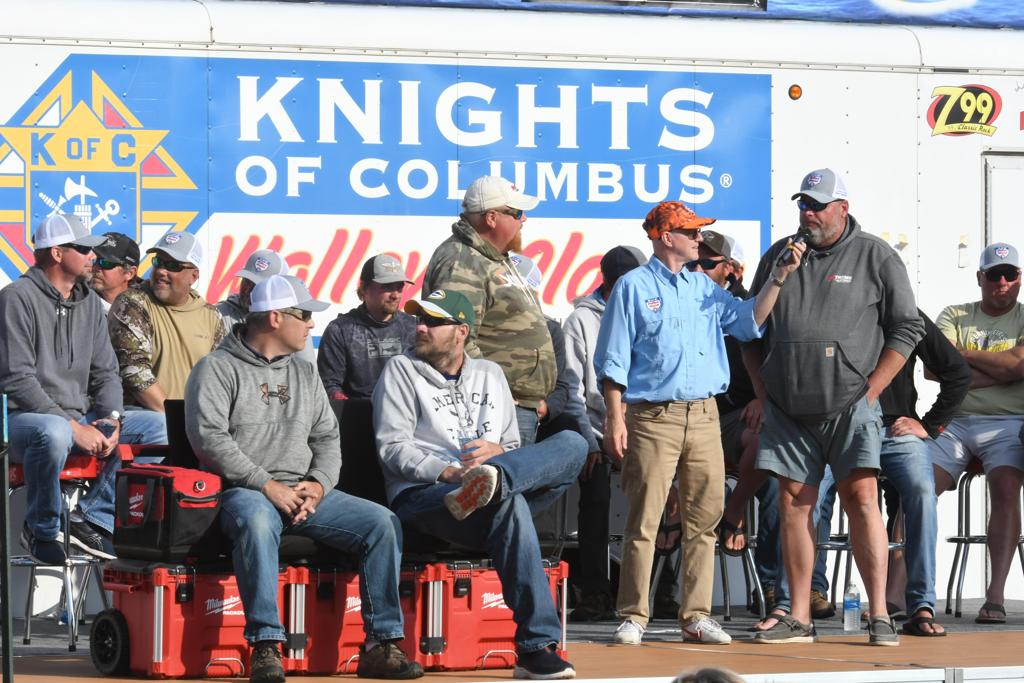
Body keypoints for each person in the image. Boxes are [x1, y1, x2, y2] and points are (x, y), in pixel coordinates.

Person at [185, 274, 423, 683]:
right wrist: (267, 485)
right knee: (258, 521)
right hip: (244, 492)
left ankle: (381, 645)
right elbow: (210, 442)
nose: (312, 324)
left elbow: (327, 437)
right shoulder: (216, 368)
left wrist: (319, 484)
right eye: (305, 315)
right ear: (275, 317)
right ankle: (265, 645)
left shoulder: (304, 370)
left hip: (303, 491)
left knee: (382, 523)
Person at [596, 200, 804, 646]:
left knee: (704, 519)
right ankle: (633, 615)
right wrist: (615, 418)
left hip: (705, 413)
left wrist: (778, 278)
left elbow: (748, 322)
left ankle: (696, 616)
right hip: (652, 415)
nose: (699, 239)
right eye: (690, 232)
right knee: (645, 519)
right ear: (665, 236)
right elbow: (612, 360)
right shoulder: (633, 286)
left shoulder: (703, 288)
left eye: (699, 231)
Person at [745, 169, 924, 646]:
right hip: (788, 407)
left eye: (818, 205)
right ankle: (799, 616)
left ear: (843, 208)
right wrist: (763, 392)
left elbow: (908, 328)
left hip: (850, 405)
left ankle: (879, 613)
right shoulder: (779, 255)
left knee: (862, 500)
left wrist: (873, 390)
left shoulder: (875, 255)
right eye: (803, 204)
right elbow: (749, 330)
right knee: (792, 505)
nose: (808, 213)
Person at [372, 289, 585, 680]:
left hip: (490, 491)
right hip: (427, 496)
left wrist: (498, 453)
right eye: (420, 319)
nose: (420, 328)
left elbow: (515, 447)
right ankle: (535, 648)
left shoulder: (490, 373)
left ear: (461, 332)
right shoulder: (400, 370)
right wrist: (452, 474)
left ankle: (496, 482)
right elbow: (393, 450)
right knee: (510, 506)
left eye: (433, 322)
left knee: (574, 443)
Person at [1, 214, 166, 563]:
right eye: (84, 248)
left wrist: (112, 418)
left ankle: (91, 519)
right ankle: (42, 530)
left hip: (77, 418)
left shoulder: (89, 301)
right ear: (57, 253)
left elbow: (106, 372)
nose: (92, 256)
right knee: (54, 432)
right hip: (21, 421)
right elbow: (17, 379)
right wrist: (75, 427)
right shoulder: (16, 298)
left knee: (157, 427)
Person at [930, 242, 1024, 625]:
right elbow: (934, 368)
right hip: (954, 422)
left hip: (1009, 422)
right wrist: (1003, 371)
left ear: (1020, 278)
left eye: (1010, 275)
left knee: (1006, 488)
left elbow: (1018, 366)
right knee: (916, 486)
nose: (1002, 282)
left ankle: (995, 596)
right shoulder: (955, 313)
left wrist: (961, 358)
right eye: (994, 275)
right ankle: (904, 594)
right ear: (979, 278)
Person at [421, 176, 554, 445]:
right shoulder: (462, 260)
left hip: (518, 406)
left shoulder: (495, 257)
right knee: (499, 473)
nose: (524, 219)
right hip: (491, 409)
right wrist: (497, 392)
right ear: (492, 218)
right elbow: (455, 339)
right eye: (517, 213)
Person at [688, 230, 780, 613]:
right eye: (693, 261)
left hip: (735, 417)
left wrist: (762, 398)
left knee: (773, 469)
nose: (697, 268)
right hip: (691, 416)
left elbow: (775, 361)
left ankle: (772, 585)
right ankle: (661, 593)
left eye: (707, 263)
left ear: (733, 270)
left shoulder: (748, 307)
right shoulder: (682, 298)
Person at [562, 245, 648, 622]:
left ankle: (658, 588)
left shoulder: (650, 312)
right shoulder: (580, 321)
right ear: (611, 286)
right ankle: (595, 592)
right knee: (595, 491)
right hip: (596, 427)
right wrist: (588, 440)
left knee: (664, 492)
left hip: (643, 425)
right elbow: (572, 392)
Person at [109, 230, 226, 414]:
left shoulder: (211, 316)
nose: (161, 271)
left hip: (194, 419)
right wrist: (177, 419)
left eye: (172, 265)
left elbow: (219, 378)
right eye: (158, 262)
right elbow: (134, 372)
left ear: (193, 276)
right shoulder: (132, 302)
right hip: (144, 416)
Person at [318, 254, 417, 400]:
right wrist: (342, 401)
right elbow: (329, 384)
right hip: (359, 412)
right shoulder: (340, 330)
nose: (395, 295)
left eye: (399, 287)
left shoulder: (414, 326)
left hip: (407, 410)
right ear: (364, 288)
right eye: (387, 287)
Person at [218, 249, 315, 363]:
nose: (247, 289)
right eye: (246, 281)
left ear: (278, 289)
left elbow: (308, 368)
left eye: (257, 285)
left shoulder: (293, 320)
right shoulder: (218, 314)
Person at [89, 231, 140, 313]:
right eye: (94, 260)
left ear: (129, 273)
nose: (95, 267)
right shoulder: (80, 301)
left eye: (106, 262)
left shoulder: (145, 309)